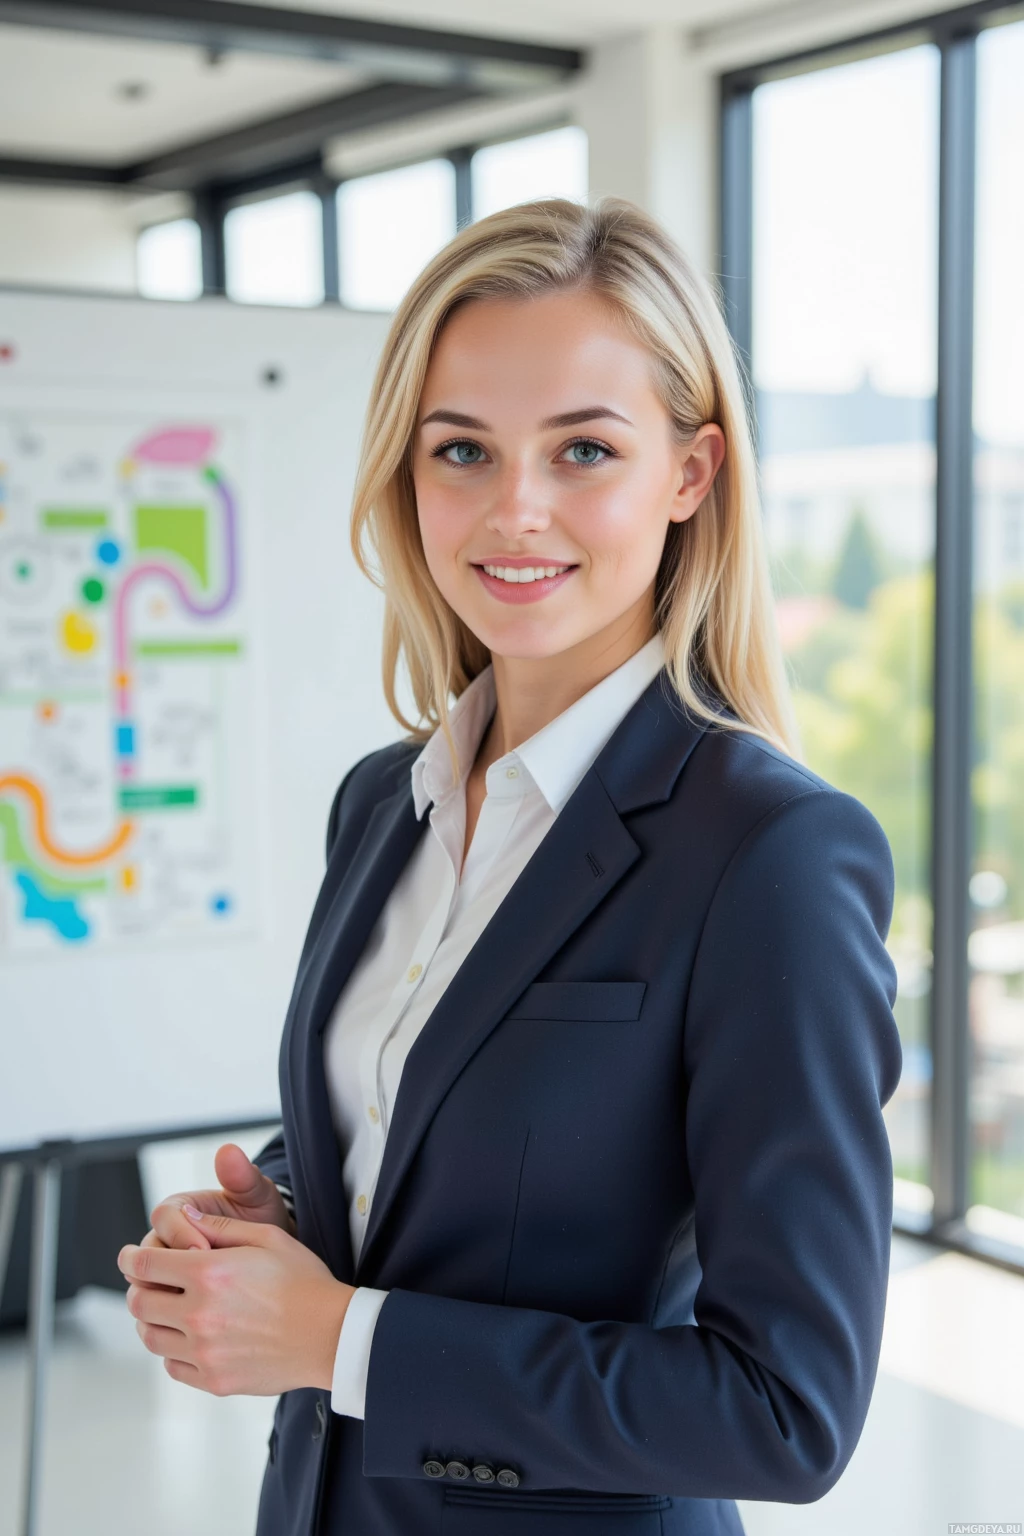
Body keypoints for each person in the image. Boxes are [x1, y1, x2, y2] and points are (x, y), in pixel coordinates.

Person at [118, 197, 902, 1536]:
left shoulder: (770, 855)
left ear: (692, 475)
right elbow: (427, 1145)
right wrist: (274, 1220)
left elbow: (785, 1409)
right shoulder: (383, 802)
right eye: (463, 450)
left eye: (585, 448)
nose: (513, 510)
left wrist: (339, 1341)